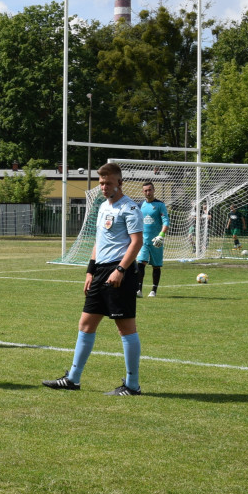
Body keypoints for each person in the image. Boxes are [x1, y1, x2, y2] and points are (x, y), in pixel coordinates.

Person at [43, 162, 144, 395]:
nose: (104, 187)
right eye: (100, 183)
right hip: (99, 272)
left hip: (120, 272)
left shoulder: (129, 208)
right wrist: (90, 271)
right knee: (86, 325)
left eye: (108, 183)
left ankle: (132, 385)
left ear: (120, 182)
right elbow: (98, 242)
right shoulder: (102, 207)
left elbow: (136, 242)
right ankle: (73, 379)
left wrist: (120, 269)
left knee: (126, 328)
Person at [136, 181, 169, 298]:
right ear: (143, 192)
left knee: (156, 266)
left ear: (154, 190)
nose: (148, 192)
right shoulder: (140, 206)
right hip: (143, 241)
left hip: (156, 241)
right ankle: (138, 290)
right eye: (145, 190)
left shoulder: (160, 205)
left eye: (149, 190)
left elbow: (166, 222)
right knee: (141, 263)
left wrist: (161, 235)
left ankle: (153, 290)